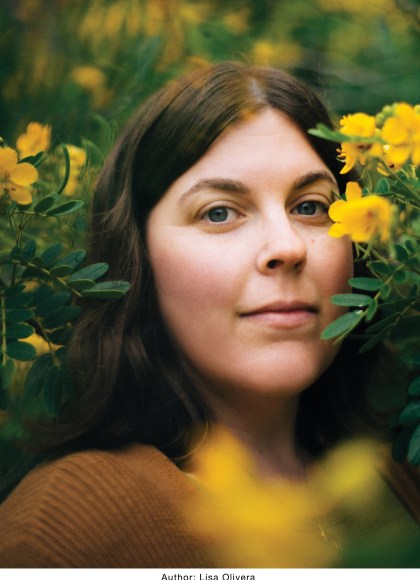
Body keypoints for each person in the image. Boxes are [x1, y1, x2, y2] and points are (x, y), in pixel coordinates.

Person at [0, 61, 419, 568]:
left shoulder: (397, 471)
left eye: (310, 206)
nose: (287, 247)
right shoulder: (63, 534)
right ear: (137, 259)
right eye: (219, 212)